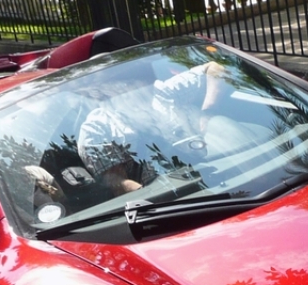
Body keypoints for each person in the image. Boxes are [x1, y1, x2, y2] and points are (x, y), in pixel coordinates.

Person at [76, 62, 236, 195]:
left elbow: (215, 68)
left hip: (208, 176)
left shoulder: (163, 92)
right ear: (112, 89)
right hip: (159, 199)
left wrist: (208, 112)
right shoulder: (97, 128)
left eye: (148, 80)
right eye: (138, 82)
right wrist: (153, 195)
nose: (149, 85)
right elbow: (114, 180)